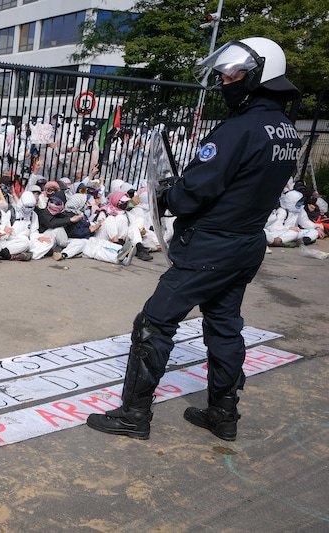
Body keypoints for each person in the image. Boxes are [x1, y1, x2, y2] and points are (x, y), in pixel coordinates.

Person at [87, 37, 303, 441]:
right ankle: (223, 414)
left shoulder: (237, 129)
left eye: (233, 73)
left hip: (210, 245)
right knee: (224, 326)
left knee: (153, 322)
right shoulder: (285, 131)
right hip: (246, 243)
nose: (225, 80)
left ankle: (134, 414)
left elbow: (194, 192)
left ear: (259, 77)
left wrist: (170, 193)